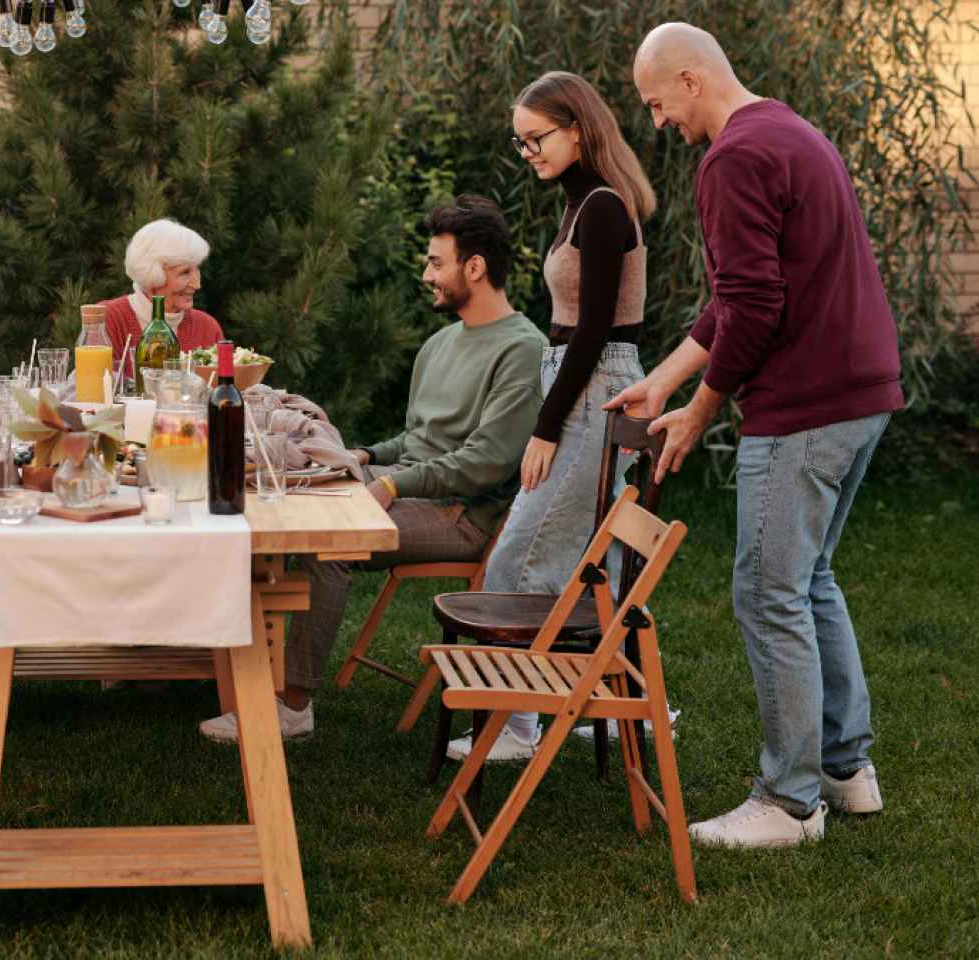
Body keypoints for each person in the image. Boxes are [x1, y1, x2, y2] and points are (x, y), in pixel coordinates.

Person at [613, 22, 902, 848]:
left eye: (657, 101)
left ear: (693, 79)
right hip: (860, 395)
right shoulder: (791, 130)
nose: (658, 121)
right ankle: (847, 773)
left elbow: (757, 306)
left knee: (768, 592)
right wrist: (664, 378)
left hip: (806, 407)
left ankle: (788, 801)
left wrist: (701, 410)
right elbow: (743, 294)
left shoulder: (733, 158)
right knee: (808, 582)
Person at [200, 196, 545, 742]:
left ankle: (292, 706)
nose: (426, 274)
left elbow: (485, 462)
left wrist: (389, 484)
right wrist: (363, 457)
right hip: (412, 489)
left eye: (436, 262)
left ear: (474, 267)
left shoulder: (523, 350)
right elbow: (418, 439)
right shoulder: (440, 343)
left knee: (328, 543)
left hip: (462, 515)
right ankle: (219, 665)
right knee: (269, 498)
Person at [445, 71, 661, 763]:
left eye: (536, 138)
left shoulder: (601, 206)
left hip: (594, 389)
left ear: (577, 127)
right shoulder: (580, 204)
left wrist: (545, 426)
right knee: (551, 552)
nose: (529, 151)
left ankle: (519, 723)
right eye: (521, 142)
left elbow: (596, 328)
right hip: (579, 380)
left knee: (519, 554)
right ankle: (606, 703)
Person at [103, 218, 224, 380]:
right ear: (153, 274)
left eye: (197, 270)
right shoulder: (107, 319)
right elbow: (91, 393)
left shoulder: (207, 328)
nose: (197, 284)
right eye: (185, 272)